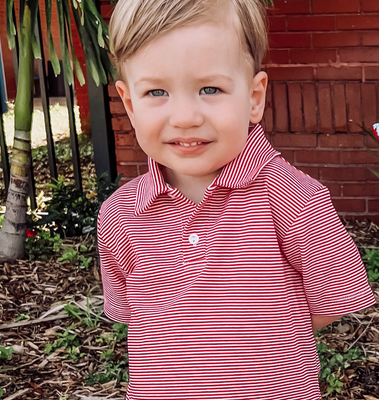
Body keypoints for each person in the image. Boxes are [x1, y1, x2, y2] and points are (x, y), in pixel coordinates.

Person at [97, 0, 376, 399]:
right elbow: (133, 314)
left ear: (254, 97)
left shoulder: (293, 199)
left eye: (210, 88)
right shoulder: (120, 214)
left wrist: (257, 341)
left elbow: (330, 303)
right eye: (156, 91)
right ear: (129, 105)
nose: (185, 116)